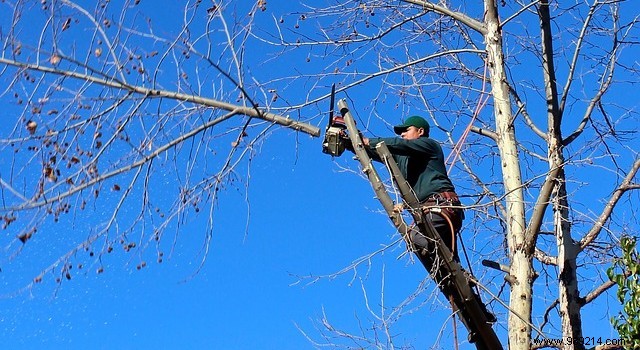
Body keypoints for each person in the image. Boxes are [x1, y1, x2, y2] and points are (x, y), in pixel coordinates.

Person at [359, 115, 464, 258]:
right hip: (427, 212)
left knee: (416, 239)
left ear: (420, 131)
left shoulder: (429, 145)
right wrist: (351, 141)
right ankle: (459, 278)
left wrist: (368, 141)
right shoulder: (402, 157)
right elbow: (376, 151)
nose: (402, 134)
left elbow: (400, 145)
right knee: (443, 266)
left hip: (441, 206)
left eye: (406, 130)